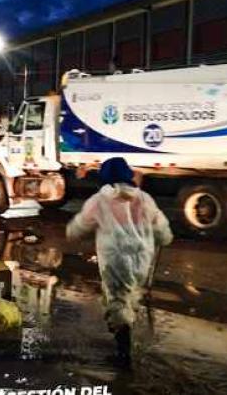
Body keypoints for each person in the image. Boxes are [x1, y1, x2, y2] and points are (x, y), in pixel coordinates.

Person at [66, 157, 173, 367]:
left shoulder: (100, 200)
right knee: (129, 297)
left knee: (117, 303)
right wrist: (164, 238)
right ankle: (128, 337)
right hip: (142, 260)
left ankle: (124, 356)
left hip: (115, 261)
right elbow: (161, 228)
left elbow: (78, 227)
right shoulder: (144, 198)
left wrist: (73, 232)